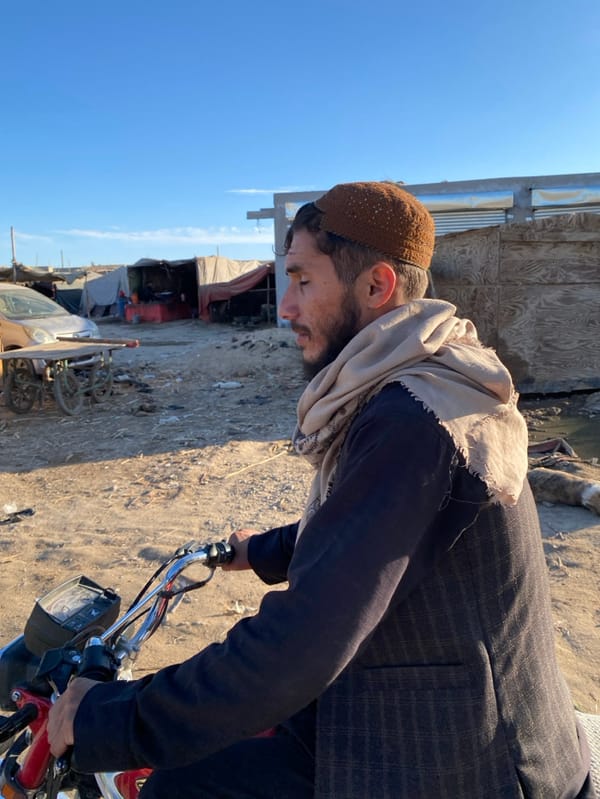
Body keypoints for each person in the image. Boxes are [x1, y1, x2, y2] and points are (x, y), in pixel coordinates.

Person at [48, 181, 595, 798]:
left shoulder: (415, 420)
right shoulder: (421, 382)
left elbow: (299, 645)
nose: (285, 307)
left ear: (376, 287)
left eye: (304, 281)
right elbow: (368, 531)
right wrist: (264, 549)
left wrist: (110, 716)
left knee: (177, 789)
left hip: (468, 760)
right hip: (425, 707)